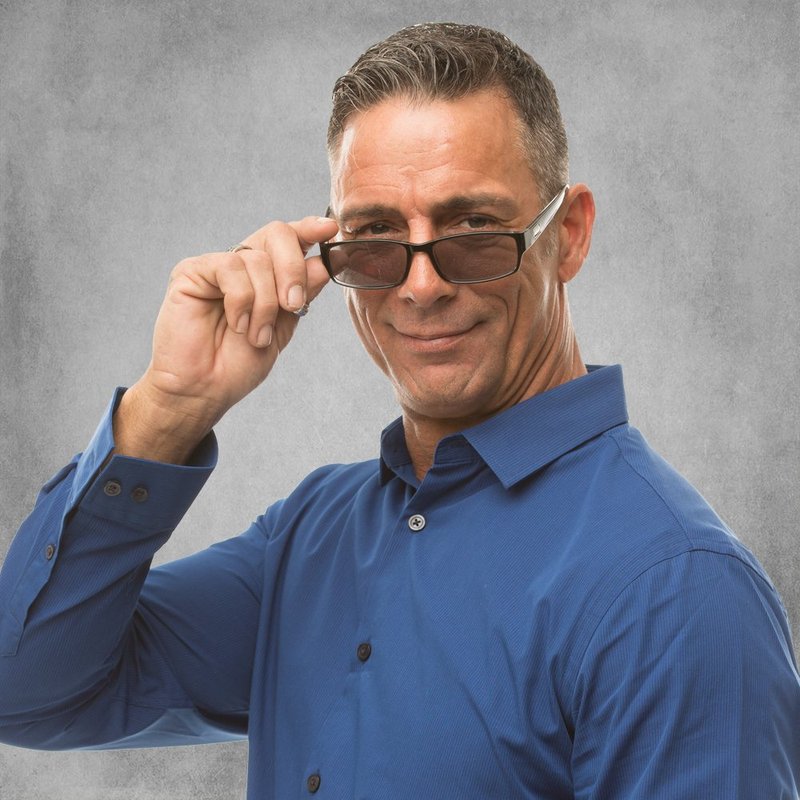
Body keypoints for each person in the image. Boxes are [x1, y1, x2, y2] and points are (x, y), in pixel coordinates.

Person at [0, 21, 798, 799]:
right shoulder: (311, 535)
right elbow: (24, 692)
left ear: (570, 234)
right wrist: (170, 406)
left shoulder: (677, 589)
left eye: (474, 228)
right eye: (376, 236)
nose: (421, 287)